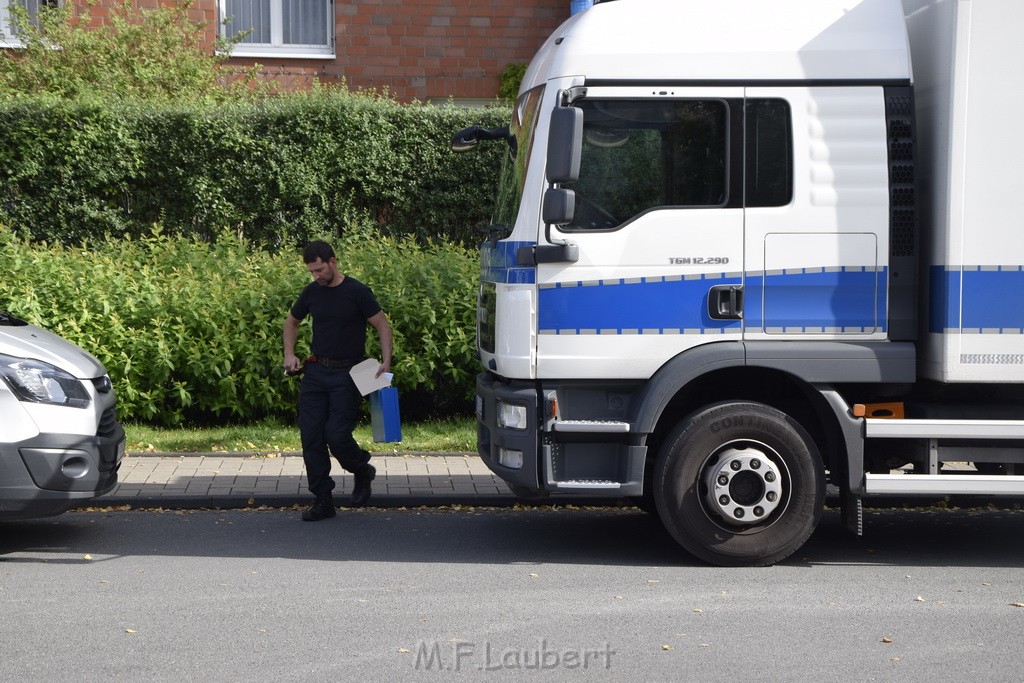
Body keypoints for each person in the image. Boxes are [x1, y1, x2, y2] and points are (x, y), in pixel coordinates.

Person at [283, 240, 393, 521]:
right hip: (316, 372)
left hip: (349, 374)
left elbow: (381, 325)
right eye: (311, 271)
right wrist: (290, 354)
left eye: (319, 269)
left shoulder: (357, 292)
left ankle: (361, 469)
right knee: (311, 436)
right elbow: (291, 322)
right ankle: (323, 500)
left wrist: (386, 360)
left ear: (333, 261)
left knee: (337, 435)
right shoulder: (311, 292)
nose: (315, 276)